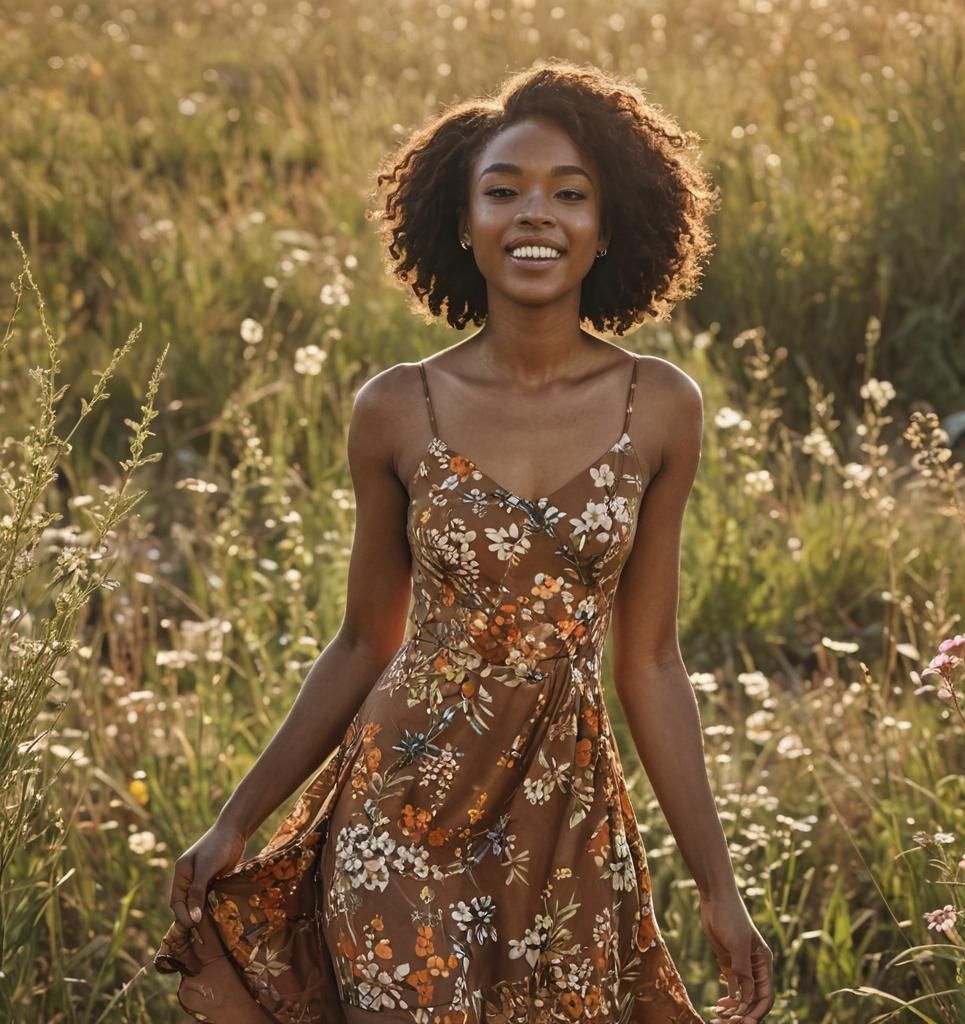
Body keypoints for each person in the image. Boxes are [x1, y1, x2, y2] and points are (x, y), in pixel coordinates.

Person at [155, 58, 774, 1024]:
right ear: (460, 222)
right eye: (504, 191)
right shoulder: (398, 409)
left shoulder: (660, 409)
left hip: (562, 819)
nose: (536, 214)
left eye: (570, 194)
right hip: (399, 813)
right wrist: (237, 820)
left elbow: (650, 661)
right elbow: (366, 642)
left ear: (608, 230)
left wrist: (717, 887)